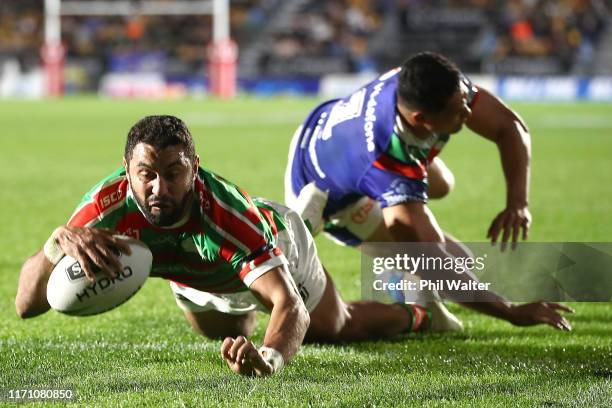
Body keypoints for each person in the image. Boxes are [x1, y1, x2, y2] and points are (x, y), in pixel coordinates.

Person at [16, 115, 472, 378]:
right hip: (197, 275)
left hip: (273, 241)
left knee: (334, 328)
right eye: (146, 174)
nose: (158, 187)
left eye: (173, 173)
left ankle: (422, 314)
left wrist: (270, 357)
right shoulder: (101, 213)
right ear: (127, 169)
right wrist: (55, 246)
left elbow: (289, 305)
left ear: (194, 167)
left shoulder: (228, 219)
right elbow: (25, 306)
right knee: (221, 335)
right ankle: (305, 225)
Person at [285, 52, 573, 326]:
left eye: (465, 99)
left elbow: (509, 127)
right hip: (322, 189)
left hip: (332, 134)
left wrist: (517, 204)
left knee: (443, 186)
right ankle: (393, 278)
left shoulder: (423, 81)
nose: (469, 111)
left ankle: (400, 261)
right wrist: (509, 310)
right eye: (458, 110)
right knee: (444, 261)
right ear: (421, 119)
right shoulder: (388, 162)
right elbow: (433, 262)